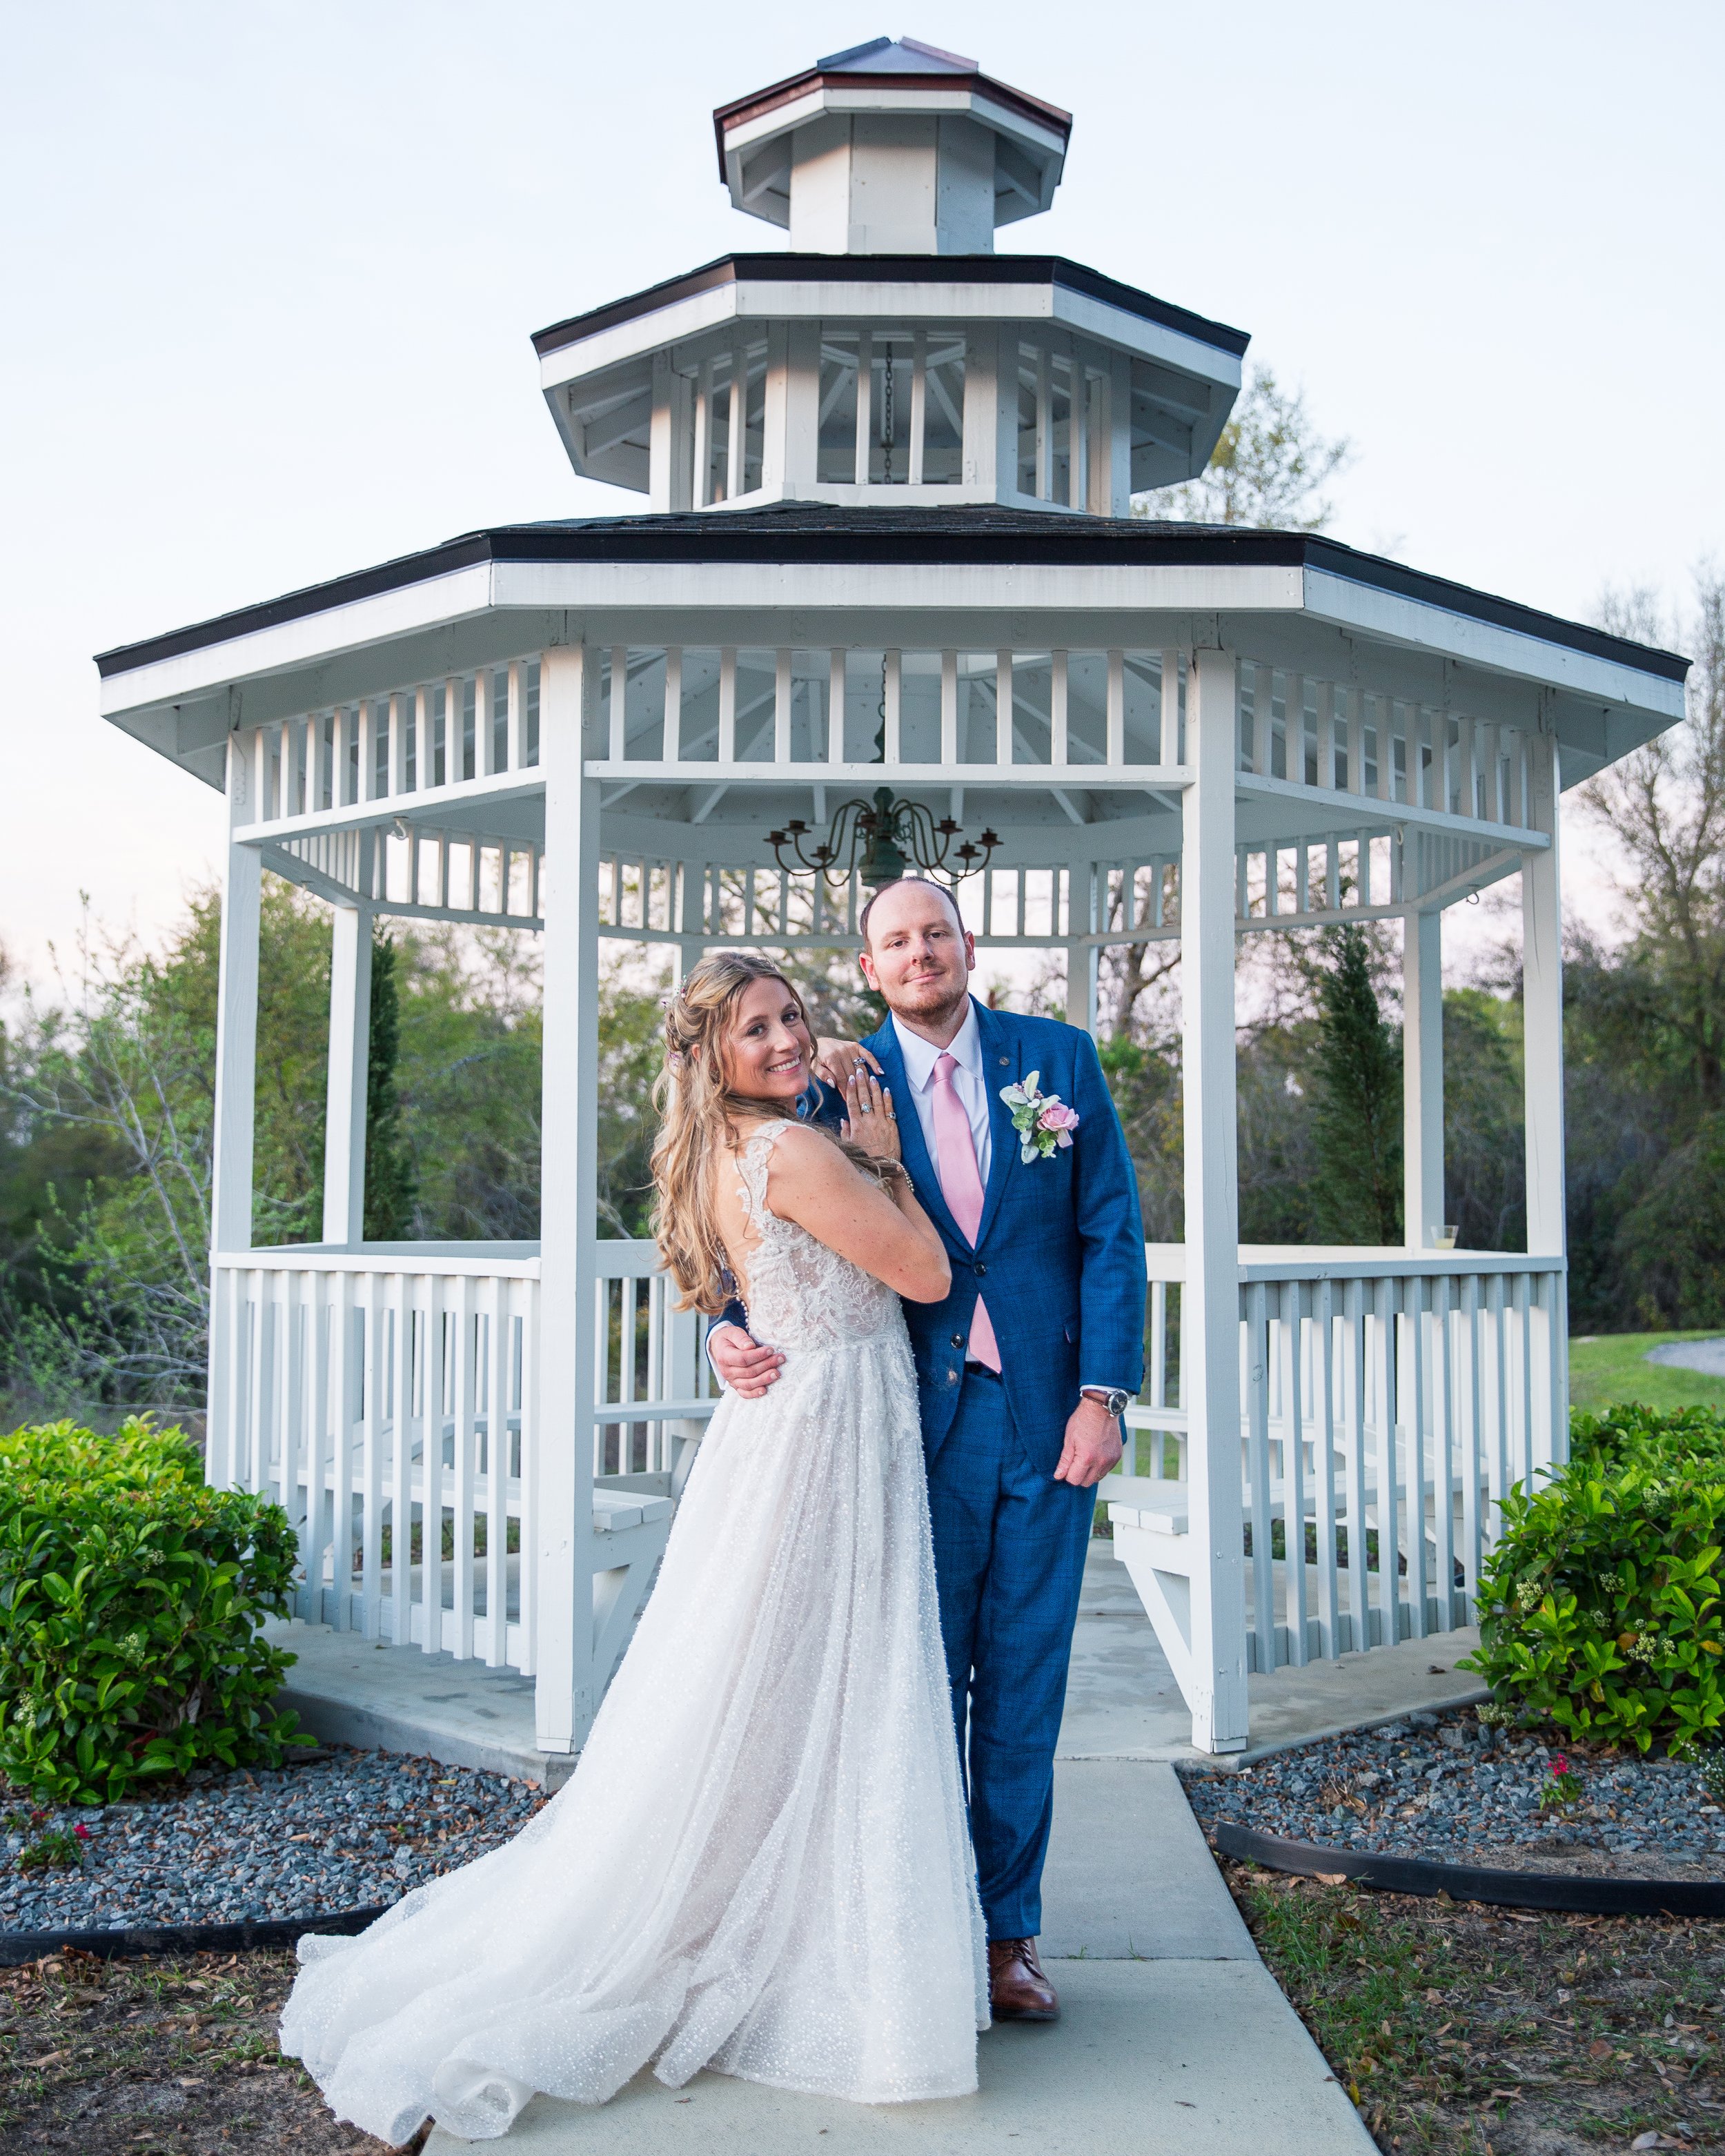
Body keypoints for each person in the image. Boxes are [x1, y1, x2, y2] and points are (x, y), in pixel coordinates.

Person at [279, 952, 987, 2143]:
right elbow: (920, 1271)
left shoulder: (721, 1151)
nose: (784, 1039)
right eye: (754, 1028)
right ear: (710, 1052)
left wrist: (844, 1076)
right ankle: (783, 1933)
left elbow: (726, 1276)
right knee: (829, 1681)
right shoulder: (802, 1151)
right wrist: (890, 1163)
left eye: (791, 1016)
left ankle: (776, 1899)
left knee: (763, 1681)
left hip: (789, 1430)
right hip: (830, 1436)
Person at [710, 878, 1145, 2023]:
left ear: (967, 943)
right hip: (911, 1429)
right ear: (868, 967)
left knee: (1022, 1685)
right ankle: (916, 1929)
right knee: (909, 1686)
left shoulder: (1059, 1058)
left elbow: (1110, 1230)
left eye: (935, 933)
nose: (920, 954)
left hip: (1052, 1421)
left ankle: (1010, 1937)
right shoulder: (827, 1082)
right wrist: (720, 1321)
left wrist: (1104, 1394)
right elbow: (738, 1221)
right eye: (895, 941)